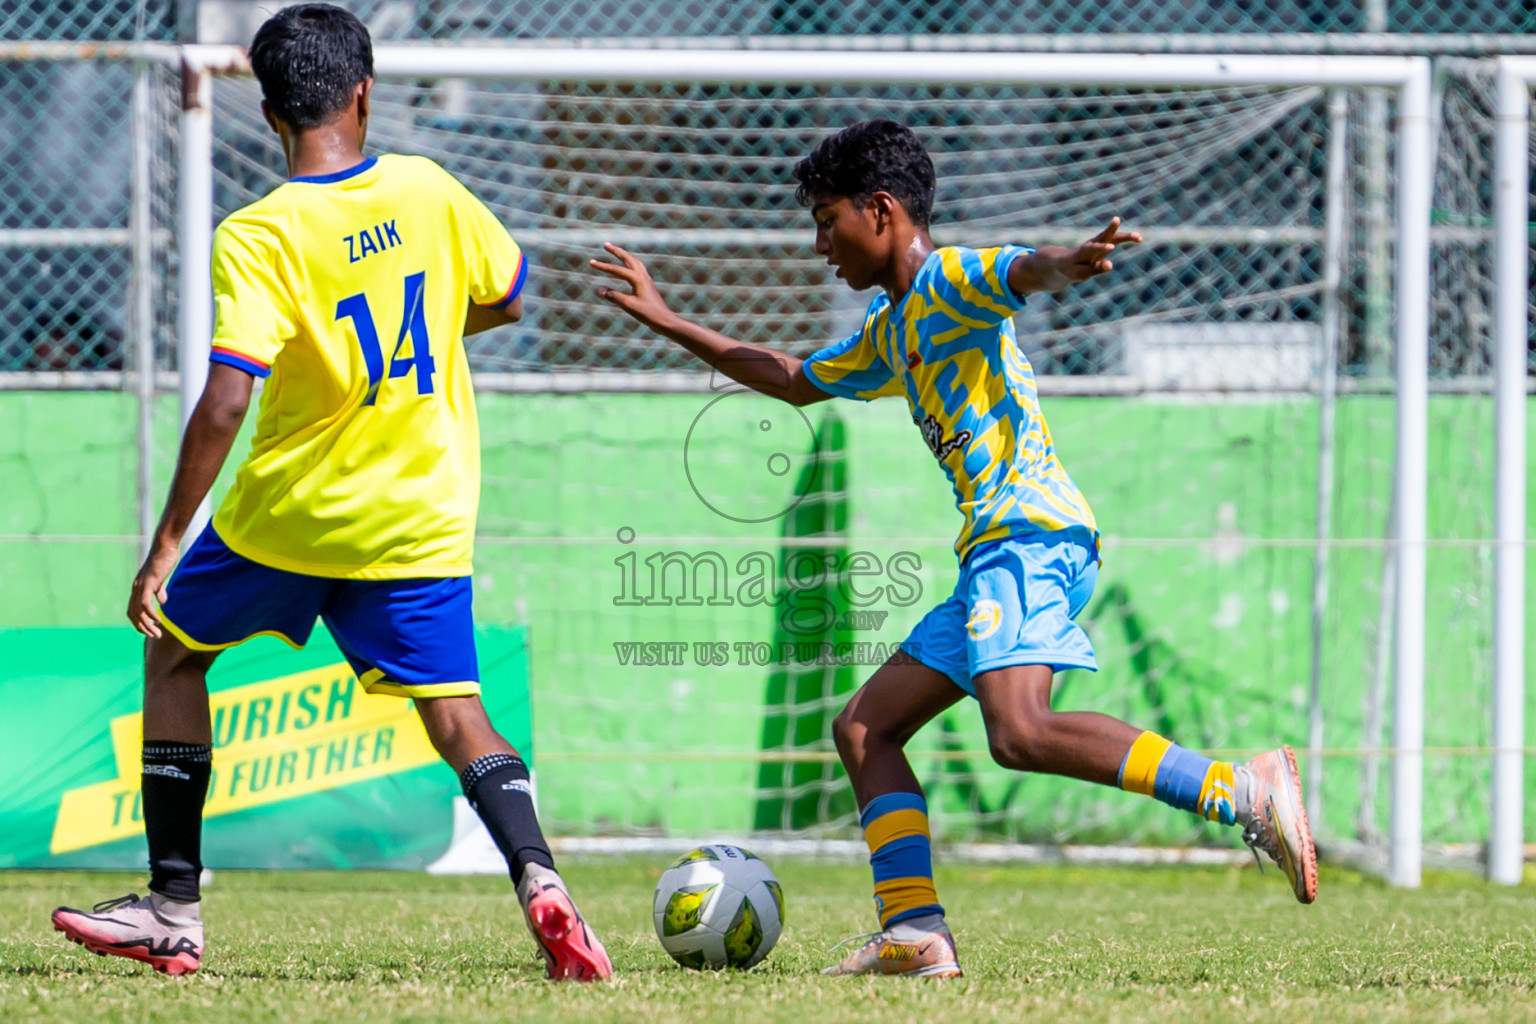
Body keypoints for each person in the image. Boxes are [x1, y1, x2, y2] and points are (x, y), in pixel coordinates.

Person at [592, 118, 1317, 979]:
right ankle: (914, 929)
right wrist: (669, 319)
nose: (820, 243)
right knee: (865, 729)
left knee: (1018, 731)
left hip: (1031, 532)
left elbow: (1017, 270)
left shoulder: (946, 281)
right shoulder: (890, 326)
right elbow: (793, 381)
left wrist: (1065, 264)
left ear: (884, 211)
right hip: (995, 550)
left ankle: (1239, 787)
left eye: (828, 220)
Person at [50, 4, 611, 982]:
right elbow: (512, 290)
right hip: (421, 513)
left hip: (292, 513)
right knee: (456, 712)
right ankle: (541, 880)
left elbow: (229, 397)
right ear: (365, 91)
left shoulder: (262, 232)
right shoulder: (431, 191)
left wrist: (169, 537)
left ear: (269, 112)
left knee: (177, 653)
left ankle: (174, 907)